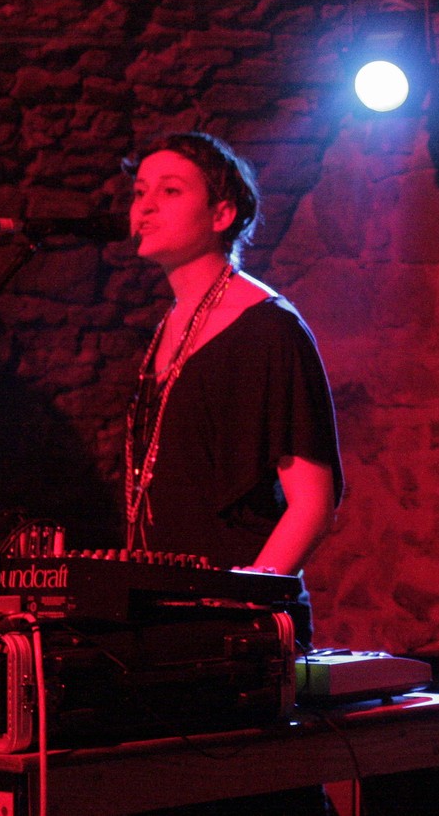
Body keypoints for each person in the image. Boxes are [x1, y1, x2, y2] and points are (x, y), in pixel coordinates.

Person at [125, 132, 345, 816]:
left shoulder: (268, 328)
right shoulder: (167, 329)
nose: (144, 206)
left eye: (170, 191)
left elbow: (313, 500)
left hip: (235, 627)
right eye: (140, 191)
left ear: (223, 213)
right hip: (165, 617)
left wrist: (242, 604)